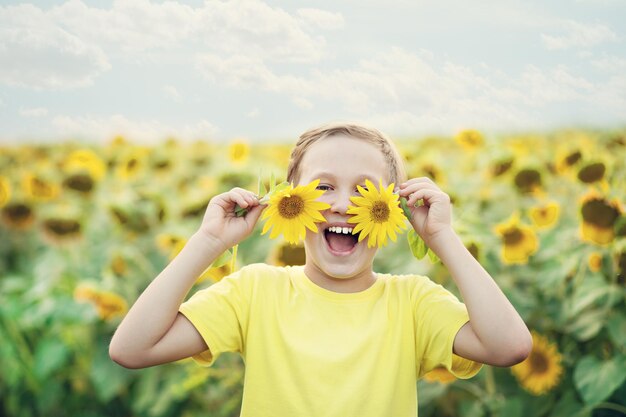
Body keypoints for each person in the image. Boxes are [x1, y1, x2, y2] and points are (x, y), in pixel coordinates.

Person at [109, 122, 532, 416]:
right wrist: (208, 243)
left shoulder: (412, 303)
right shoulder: (255, 291)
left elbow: (508, 346)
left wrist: (443, 239)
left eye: (366, 189)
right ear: (290, 200)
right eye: (324, 187)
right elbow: (132, 349)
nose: (344, 203)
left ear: (394, 206)